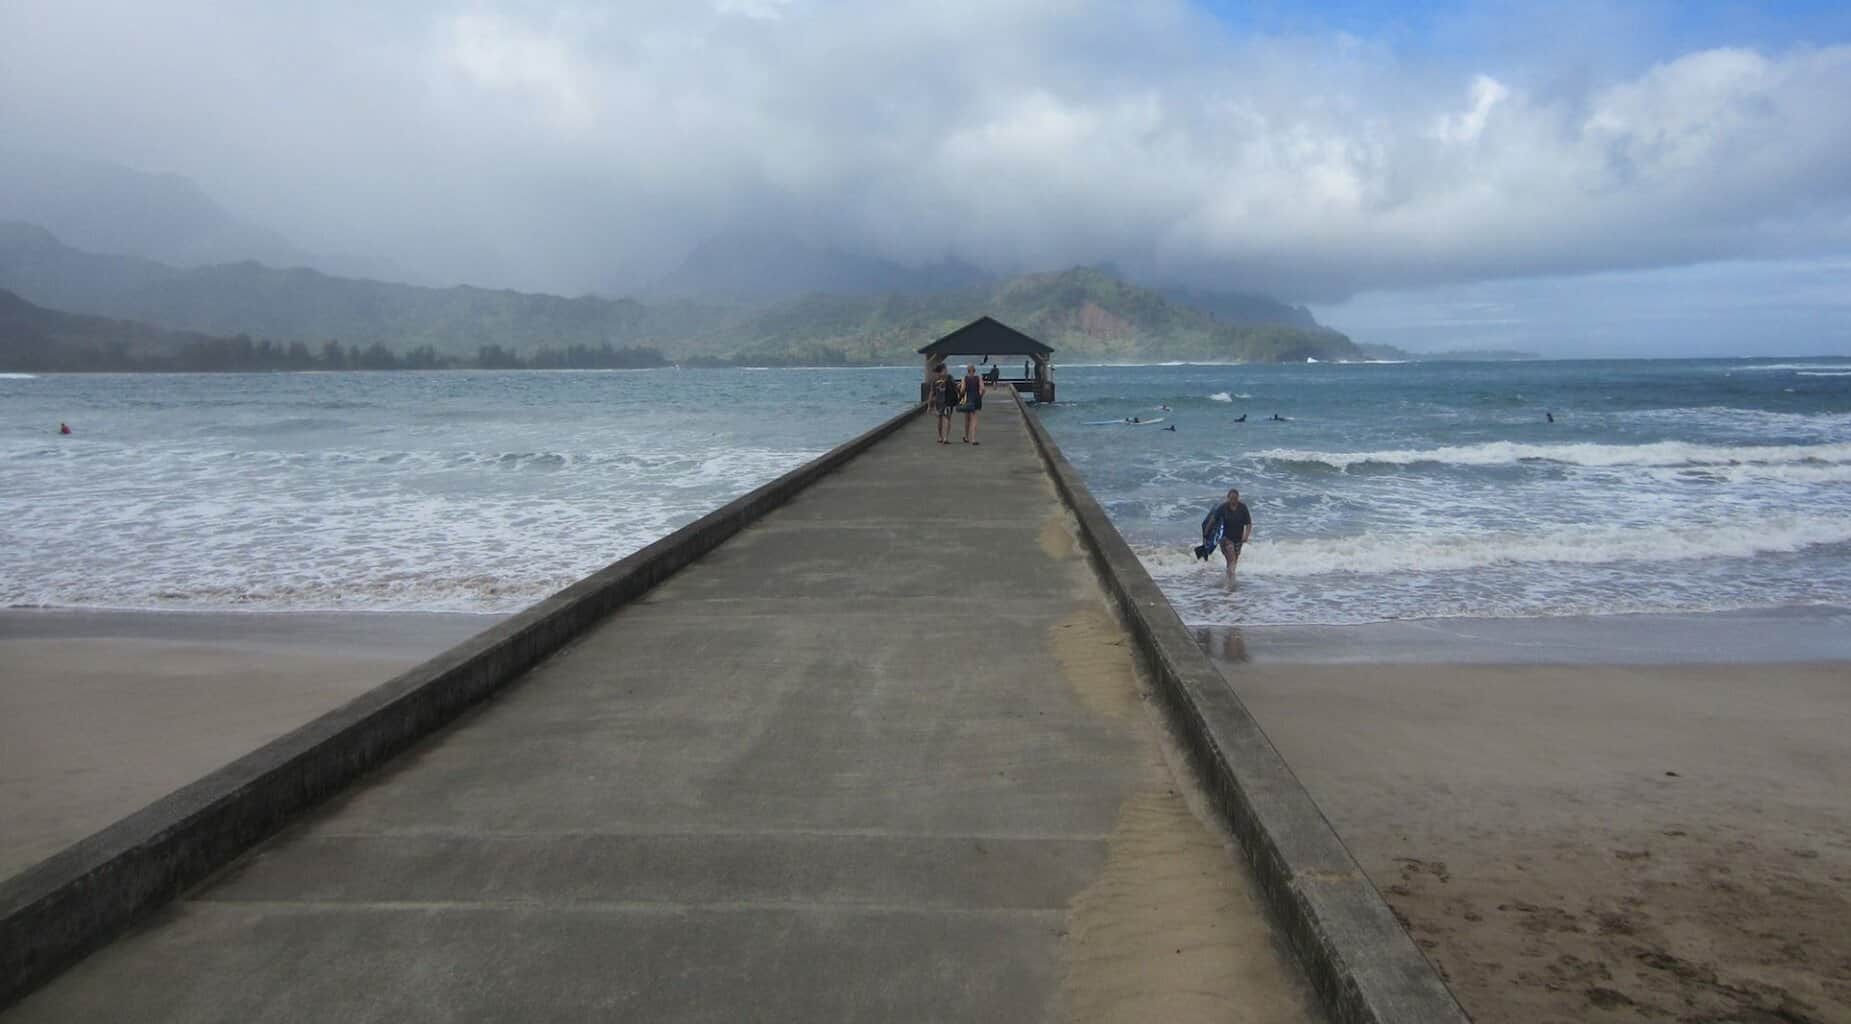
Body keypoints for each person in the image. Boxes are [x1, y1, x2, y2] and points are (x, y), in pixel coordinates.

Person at [1196, 488, 1253, 587]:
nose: (1233, 501)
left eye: (1235, 499)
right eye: (1231, 499)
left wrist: (1246, 536)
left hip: (1238, 539)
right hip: (1225, 539)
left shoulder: (1243, 508)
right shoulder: (1223, 507)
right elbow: (1212, 520)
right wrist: (1206, 534)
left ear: (1238, 498)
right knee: (1231, 557)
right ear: (1228, 498)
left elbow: (1248, 524)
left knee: (1233, 562)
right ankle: (1230, 583)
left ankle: (1228, 582)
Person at [927, 364, 956, 444]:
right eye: (945, 369)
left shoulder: (935, 380)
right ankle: (946, 438)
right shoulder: (949, 377)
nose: (947, 370)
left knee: (940, 419)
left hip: (938, 402)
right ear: (943, 370)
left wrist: (929, 405)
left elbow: (932, 393)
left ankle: (940, 437)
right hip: (948, 401)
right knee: (947, 419)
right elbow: (955, 388)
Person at [960, 363, 984, 444]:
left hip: (968, 399)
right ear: (974, 370)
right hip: (976, 398)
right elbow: (983, 389)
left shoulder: (964, 378)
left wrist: (960, 392)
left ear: (967, 370)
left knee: (967, 419)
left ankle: (966, 437)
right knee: (974, 419)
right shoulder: (979, 378)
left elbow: (963, 390)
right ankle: (973, 439)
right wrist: (980, 396)